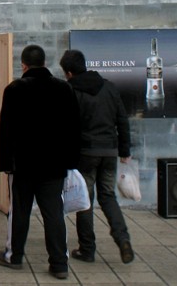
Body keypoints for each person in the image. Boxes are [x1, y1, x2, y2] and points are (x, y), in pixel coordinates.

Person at [0, 45, 80, 280]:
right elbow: (74, 128)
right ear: (45, 63)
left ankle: (14, 255)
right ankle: (59, 263)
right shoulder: (63, 89)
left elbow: (7, 130)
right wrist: (71, 161)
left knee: (19, 211)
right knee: (54, 212)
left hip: (23, 164)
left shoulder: (15, 89)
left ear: (23, 65)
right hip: (54, 164)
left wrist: (5, 163)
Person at [60, 49, 134, 265]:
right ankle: (123, 240)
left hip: (86, 153)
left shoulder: (71, 90)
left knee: (85, 200)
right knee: (108, 196)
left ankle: (87, 249)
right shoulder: (109, 87)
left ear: (69, 72)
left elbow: (67, 127)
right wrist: (125, 150)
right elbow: (122, 120)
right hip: (109, 151)